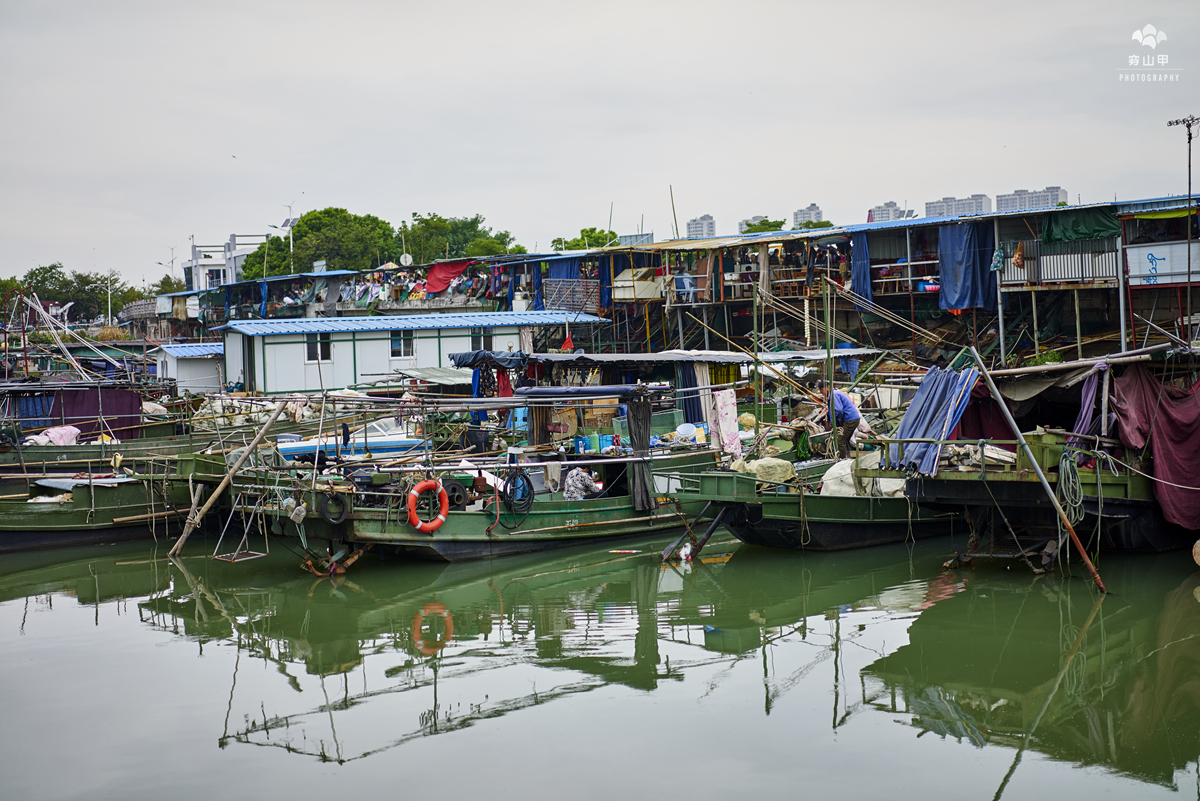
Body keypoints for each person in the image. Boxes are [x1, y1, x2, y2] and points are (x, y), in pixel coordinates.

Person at [817, 380, 861, 459]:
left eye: (822, 392)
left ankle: (843, 460)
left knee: (840, 440)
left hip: (850, 419)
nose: (823, 394)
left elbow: (839, 410)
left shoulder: (834, 395)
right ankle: (849, 458)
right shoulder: (834, 394)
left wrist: (840, 420)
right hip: (852, 419)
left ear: (825, 388)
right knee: (845, 440)